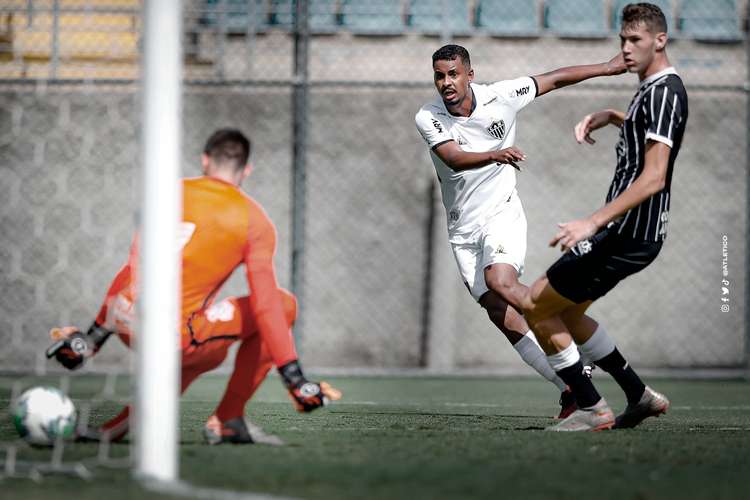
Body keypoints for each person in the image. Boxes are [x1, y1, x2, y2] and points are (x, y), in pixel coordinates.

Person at [47, 128, 341, 444]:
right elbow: (266, 304)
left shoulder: (166, 192)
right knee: (284, 304)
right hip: (175, 335)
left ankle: (117, 428)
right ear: (246, 170)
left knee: (205, 349)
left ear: (204, 161)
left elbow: (133, 269)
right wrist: (294, 379)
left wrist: (90, 341)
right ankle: (228, 419)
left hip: (126, 322)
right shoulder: (254, 220)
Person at [414, 45, 625, 417]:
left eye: (453, 74)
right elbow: (453, 158)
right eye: (439, 75)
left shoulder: (502, 95)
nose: (446, 83)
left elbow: (555, 78)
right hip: (463, 228)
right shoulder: (428, 116)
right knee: (499, 311)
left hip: (501, 213)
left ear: (469, 75)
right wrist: (495, 154)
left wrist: (607, 68)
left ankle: (571, 324)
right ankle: (573, 387)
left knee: (501, 281)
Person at [520, 3, 688, 431]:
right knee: (571, 314)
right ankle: (639, 396)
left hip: (626, 234)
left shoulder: (666, 91)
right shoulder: (650, 91)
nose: (627, 49)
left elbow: (654, 178)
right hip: (629, 235)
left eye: (636, 40)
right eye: (623, 40)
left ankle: (591, 408)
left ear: (660, 40)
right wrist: (611, 117)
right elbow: (645, 133)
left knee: (536, 305)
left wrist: (592, 222)